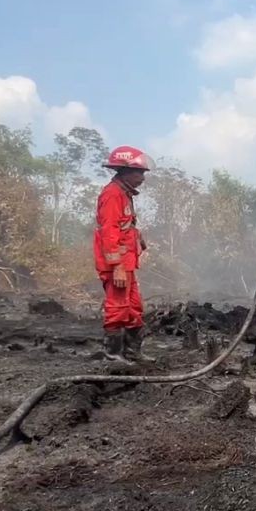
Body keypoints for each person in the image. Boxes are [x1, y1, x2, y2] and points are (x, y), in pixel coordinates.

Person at [94, 145, 154, 363]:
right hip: (117, 265)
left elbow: (124, 226)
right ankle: (112, 355)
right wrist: (117, 266)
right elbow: (109, 232)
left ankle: (132, 352)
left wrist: (139, 239)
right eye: (139, 173)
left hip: (127, 263)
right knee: (118, 307)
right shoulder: (112, 195)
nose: (142, 178)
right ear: (125, 171)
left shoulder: (124, 194)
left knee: (134, 307)